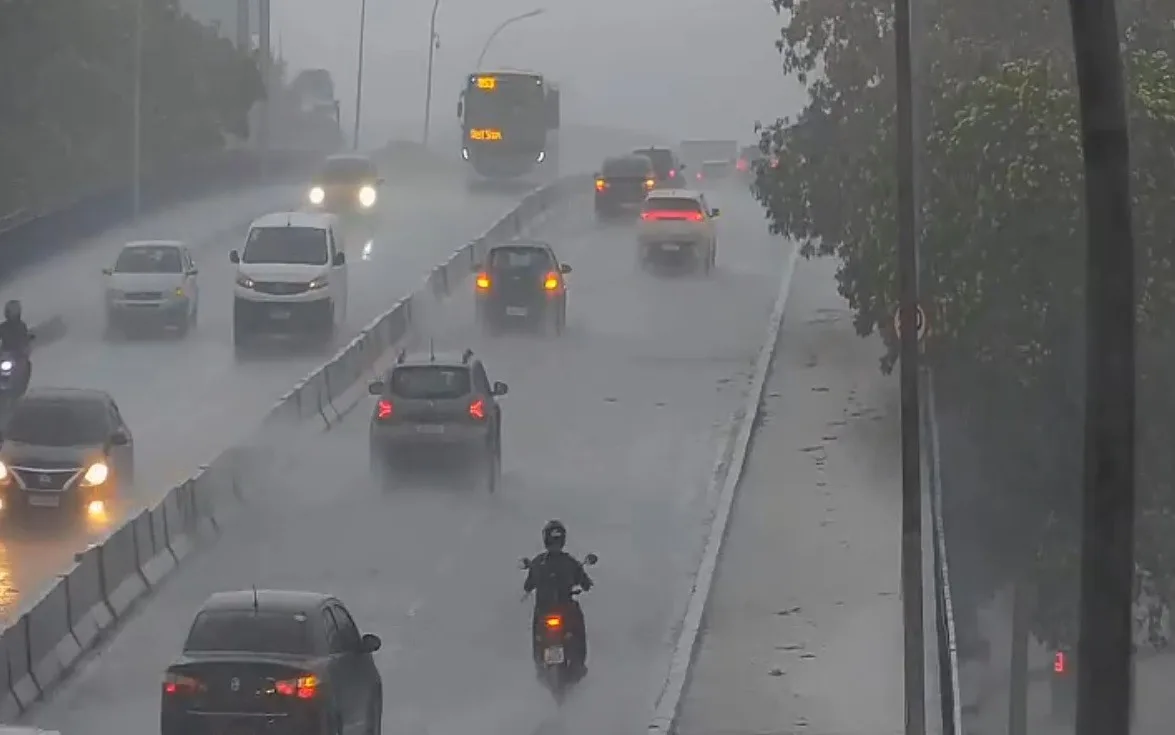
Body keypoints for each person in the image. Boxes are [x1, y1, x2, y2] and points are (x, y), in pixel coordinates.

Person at [523, 519, 593, 674]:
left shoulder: (538, 562)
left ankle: (541, 663)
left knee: (538, 632)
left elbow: (527, 586)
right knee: (577, 626)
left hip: (544, 611)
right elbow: (586, 583)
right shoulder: (569, 561)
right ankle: (577, 662)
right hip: (564, 611)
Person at [0, 300, 32, 393]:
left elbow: (25, 338)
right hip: (5, 353)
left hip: (18, 354)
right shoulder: (3, 326)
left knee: (26, 365)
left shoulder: (21, 326)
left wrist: (26, 346)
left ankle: (21, 385)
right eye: (10, 312)